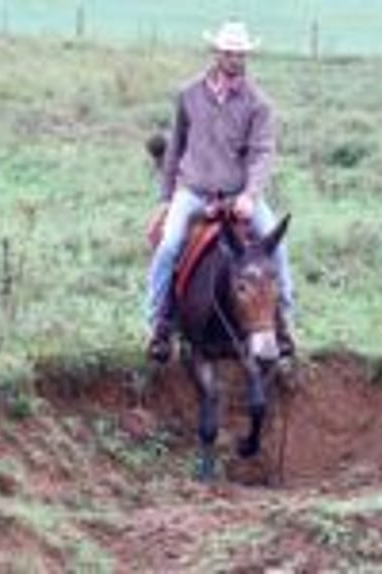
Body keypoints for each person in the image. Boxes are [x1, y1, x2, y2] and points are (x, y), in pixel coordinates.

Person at [145, 20, 295, 363]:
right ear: (216, 53)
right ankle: (158, 324)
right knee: (168, 247)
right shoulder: (188, 95)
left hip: (238, 194)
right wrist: (166, 199)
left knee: (278, 248)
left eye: (240, 53)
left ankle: (285, 327)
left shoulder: (258, 103)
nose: (235, 59)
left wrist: (250, 195)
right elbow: (176, 148)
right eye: (229, 52)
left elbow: (261, 153)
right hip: (194, 191)